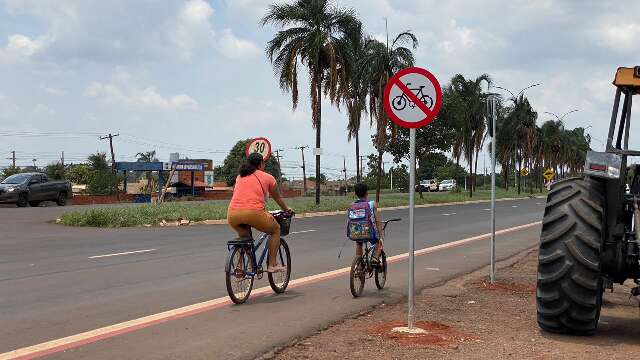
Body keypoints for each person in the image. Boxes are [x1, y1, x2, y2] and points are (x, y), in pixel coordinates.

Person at [227, 153, 292, 273]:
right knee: (276, 229)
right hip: (254, 213)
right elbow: (277, 198)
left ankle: (243, 267)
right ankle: (272, 264)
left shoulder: (240, 176)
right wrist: (286, 209)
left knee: (245, 239)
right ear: (261, 164)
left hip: (232, 214)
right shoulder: (268, 177)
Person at [352, 182, 384, 264]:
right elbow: (377, 220)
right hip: (369, 232)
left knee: (359, 243)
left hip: (356, 231)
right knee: (379, 242)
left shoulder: (352, 205)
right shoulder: (372, 204)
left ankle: (358, 264)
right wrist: (381, 233)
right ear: (367, 193)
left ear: (355, 193)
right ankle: (375, 258)